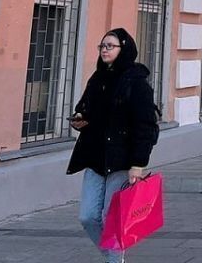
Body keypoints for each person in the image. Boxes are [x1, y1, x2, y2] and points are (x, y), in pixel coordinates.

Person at [68, 28, 158, 263]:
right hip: (95, 157)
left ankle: (114, 260)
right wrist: (80, 118)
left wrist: (138, 164)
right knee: (87, 216)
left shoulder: (136, 83)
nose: (105, 50)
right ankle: (113, 257)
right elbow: (85, 107)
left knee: (112, 219)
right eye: (102, 46)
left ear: (124, 49)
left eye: (110, 46)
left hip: (122, 161)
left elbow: (146, 125)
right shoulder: (98, 78)